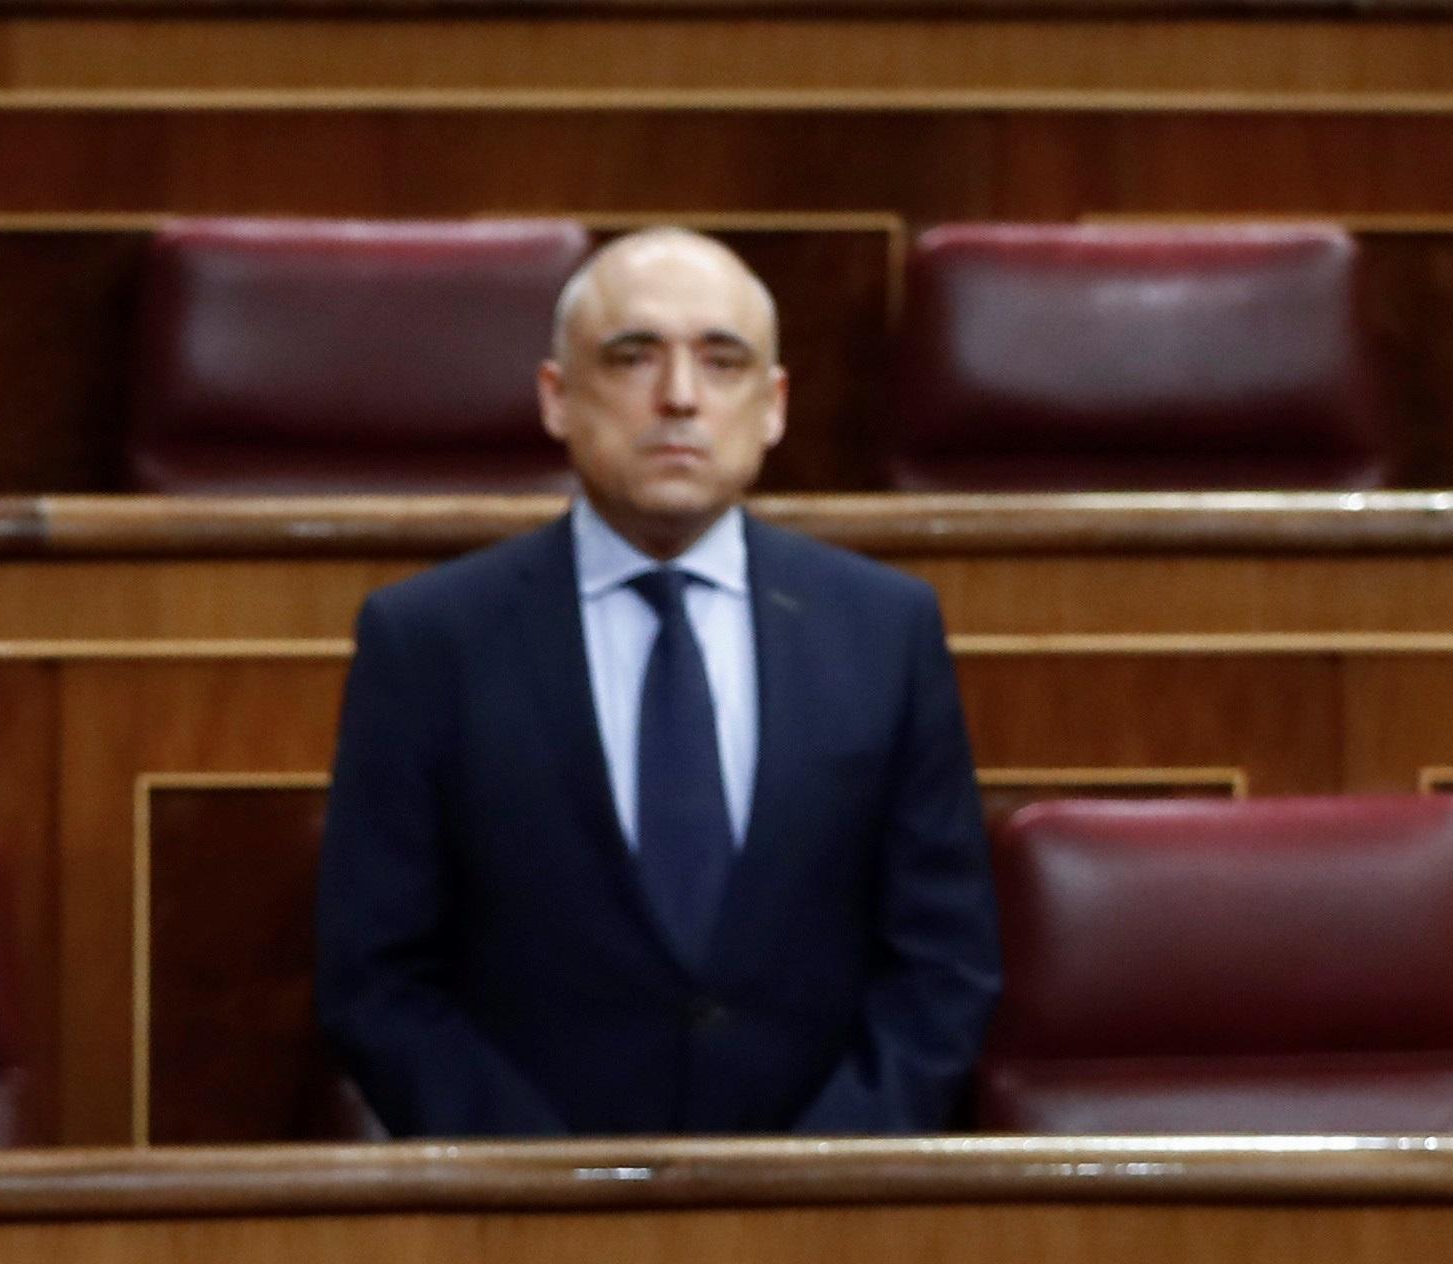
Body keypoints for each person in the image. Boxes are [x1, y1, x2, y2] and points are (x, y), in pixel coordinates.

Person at [311, 228, 1002, 1138]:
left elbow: (943, 962)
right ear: (557, 397)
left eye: (722, 363)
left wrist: (824, 1179)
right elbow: (375, 977)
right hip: (526, 1225)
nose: (678, 397)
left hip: (825, 1223)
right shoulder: (430, 641)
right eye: (634, 358)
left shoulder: (883, 631)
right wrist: (552, 1187)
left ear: (773, 406)